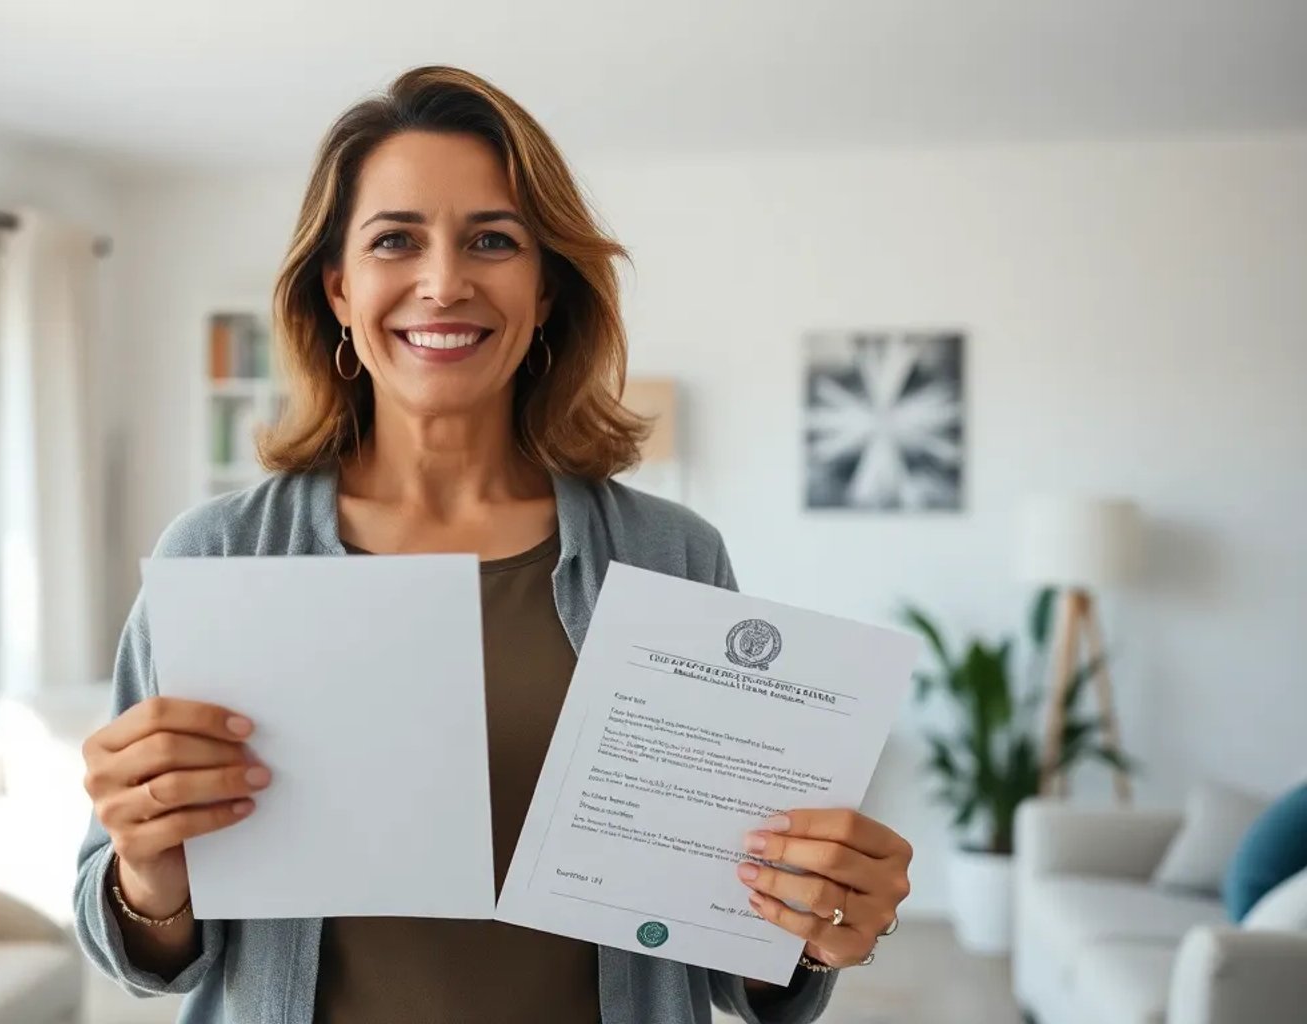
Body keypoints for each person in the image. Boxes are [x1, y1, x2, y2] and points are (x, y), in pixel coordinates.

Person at [75, 65, 913, 1024]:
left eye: (492, 240)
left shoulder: (672, 556)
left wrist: (811, 925)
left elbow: (729, 962)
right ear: (340, 289)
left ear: (547, 288)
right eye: (396, 240)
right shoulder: (217, 559)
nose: (443, 282)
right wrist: (147, 867)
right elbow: (140, 952)